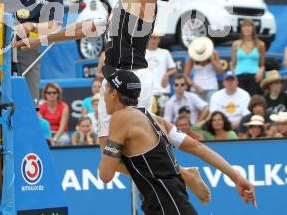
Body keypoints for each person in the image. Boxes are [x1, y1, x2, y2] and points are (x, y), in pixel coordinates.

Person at [14, 0, 211, 203]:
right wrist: (38, 40)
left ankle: (180, 175)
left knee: (128, 154)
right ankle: (180, 174)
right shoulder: (125, 1)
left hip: (132, 79)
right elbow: (84, 29)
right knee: (111, 160)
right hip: (116, 79)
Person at [98, 66, 256, 214]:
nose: (103, 97)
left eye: (105, 90)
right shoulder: (155, 119)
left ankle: (187, 174)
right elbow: (196, 146)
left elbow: (106, 175)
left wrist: (107, 142)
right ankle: (187, 174)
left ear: (114, 94)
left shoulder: (120, 119)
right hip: (174, 202)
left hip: (165, 206)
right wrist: (237, 177)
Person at [230, 19, 266, 96]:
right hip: (239, 77)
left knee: (253, 103)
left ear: (253, 28)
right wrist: (234, 76)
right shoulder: (236, 44)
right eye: (244, 26)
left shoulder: (260, 44)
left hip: (255, 77)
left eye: (249, 26)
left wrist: (260, 72)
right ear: (241, 29)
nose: (246, 28)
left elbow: (262, 65)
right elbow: (232, 64)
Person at [145, 29, 177, 115]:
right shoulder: (142, 53)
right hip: (147, 92)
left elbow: (174, 69)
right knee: (149, 120)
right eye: (151, 38)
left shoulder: (165, 53)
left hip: (163, 91)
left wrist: (167, 74)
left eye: (156, 38)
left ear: (159, 39)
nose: (154, 40)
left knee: (163, 119)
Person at [184, 37, 223, 103]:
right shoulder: (192, 57)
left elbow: (220, 71)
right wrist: (196, 87)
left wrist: (212, 60)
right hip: (196, 89)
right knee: (196, 112)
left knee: (211, 111)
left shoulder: (214, 54)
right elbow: (185, 75)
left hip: (212, 87)